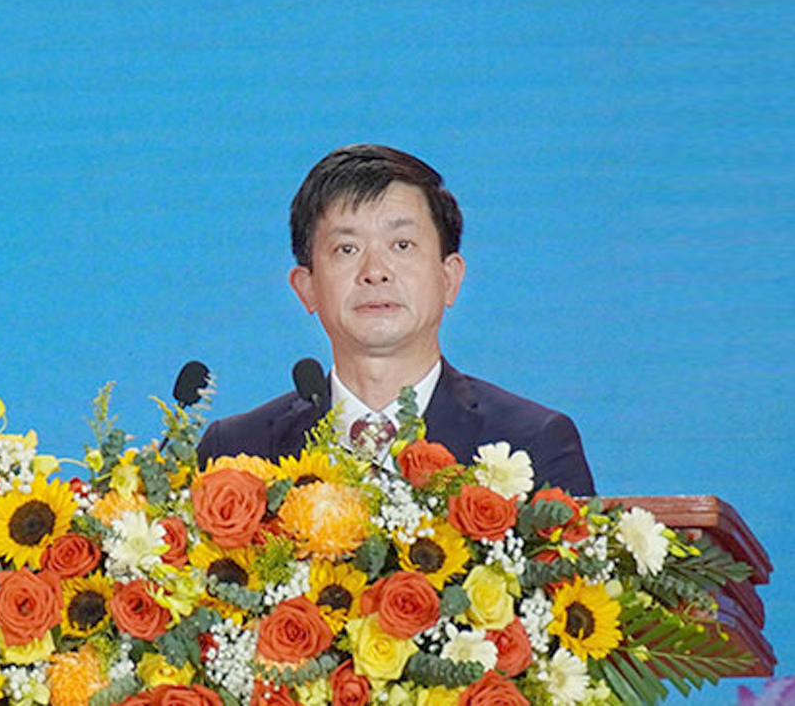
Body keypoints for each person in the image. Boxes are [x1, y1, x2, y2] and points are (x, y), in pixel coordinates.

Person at [198, 144, 594, 495]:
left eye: (402, 245)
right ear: (307, 287)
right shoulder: (236, 454)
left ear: (450, 278)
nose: (375, 272)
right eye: (347, 248)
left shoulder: (532, 445)